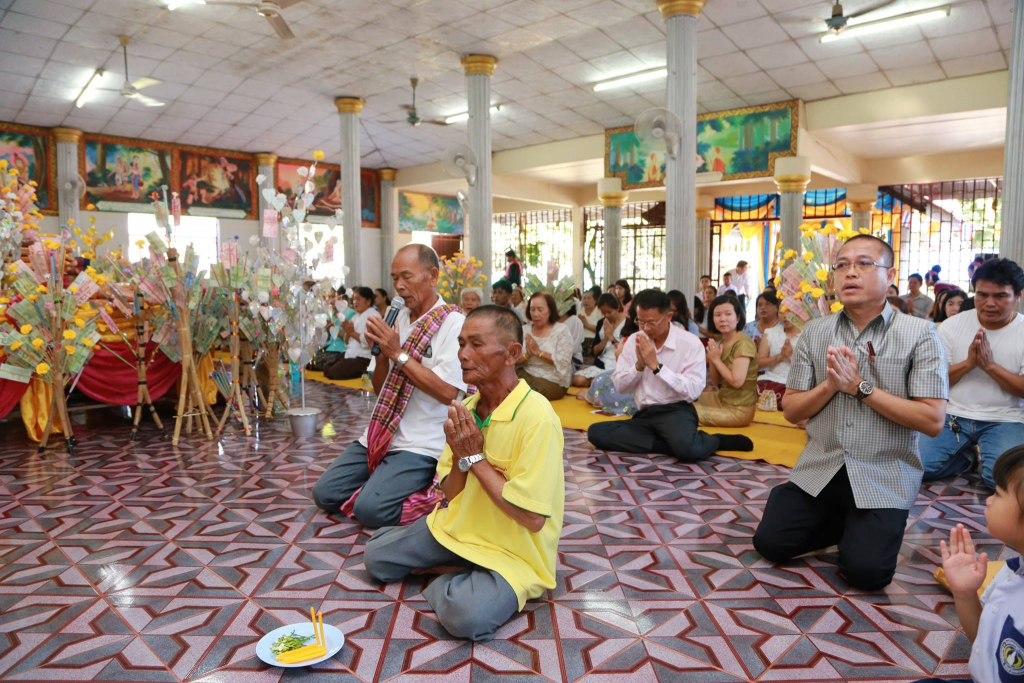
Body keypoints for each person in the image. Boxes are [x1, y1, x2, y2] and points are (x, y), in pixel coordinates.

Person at [752, 234, 949, 590]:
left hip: (883, 474)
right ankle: (842, 520)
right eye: (842, 265)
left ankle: (865, 526)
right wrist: (831, 385)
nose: (850, 272)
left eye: (863, 263)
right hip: (822, 466)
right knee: (771, 544)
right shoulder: (815, 332)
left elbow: (932, 421)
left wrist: (860, 387)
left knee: (867, 574)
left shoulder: (920, 334)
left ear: (890, 275)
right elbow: (791, 409)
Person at [363, 306, 563, 642]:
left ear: (512, 353)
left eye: (476, 344)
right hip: (459, 530)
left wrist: (475, 458)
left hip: (514, 553)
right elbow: (452, 493)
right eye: (460, 344)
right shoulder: (466, 409)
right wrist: (460, 455)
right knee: (376, 557)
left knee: (466, 616)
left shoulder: (537, 417)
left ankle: (456, 576)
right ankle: (464, 569)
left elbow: (532, 519)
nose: (463, 355)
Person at [313, 245, 467, 528]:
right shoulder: (396, 318)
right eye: (395, 278)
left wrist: (397, 353)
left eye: (407, 276)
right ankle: (384, 482)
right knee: (325, 494)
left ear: (433, 276)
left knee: (371, 511)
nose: (399, 285)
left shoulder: (453, 323)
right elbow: (381, 387)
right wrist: (382, 355)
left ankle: (433, 494)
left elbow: (449, 393)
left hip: (421, 442)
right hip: (383, 430)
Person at [587, 289, 753, 461]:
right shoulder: (634, 341)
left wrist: (657, 367)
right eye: (640, 322)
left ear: (668, 316)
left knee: (690, 451)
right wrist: (639, 366)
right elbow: (620, 387)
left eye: (651, 322)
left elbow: (694, 391)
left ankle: (714, 440)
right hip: (645, 414)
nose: (645, 328)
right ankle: (674, 444)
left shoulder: (690, 343)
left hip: (676, 411)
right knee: (597, 432)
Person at [910, 448, 1023, 683]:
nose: (988, 500)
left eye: (999, 494)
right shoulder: (1012, 572)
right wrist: (964, 593)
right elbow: (984, 643)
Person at [920, 258, 1024, 489]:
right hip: (952, 416)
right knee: (917, 466)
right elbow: (934, 382)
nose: (989, 303)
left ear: (1018, 296)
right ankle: (966, 458)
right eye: (982, 294)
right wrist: (969, 363)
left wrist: (990, 366)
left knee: (1000, 480)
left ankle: (986, 460)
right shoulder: (952, 325)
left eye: (1000, 296)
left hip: (1006, 419)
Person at [695, 295, 758, 427]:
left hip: (738, 410)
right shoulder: (724, 341)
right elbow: (717, 380)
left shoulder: (743, 343)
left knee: (686, 412)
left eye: (728, 314)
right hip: (722, 399)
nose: (722, 319)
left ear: (738, 318)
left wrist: (716, 360)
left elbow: (736, 381)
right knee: (684, 400)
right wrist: (713, 358)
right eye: (717, 315)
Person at [517, 292, 573, 401]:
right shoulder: (525, 330)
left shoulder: (561, 330)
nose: (535, 314)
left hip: (553, 380)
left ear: (550, 310)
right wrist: (528, 354)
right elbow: (515, 360)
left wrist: (538, 352)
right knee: (507, 386)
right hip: (526, 373)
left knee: (530, 394)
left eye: (540, 309)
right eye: (532, 309)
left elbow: (563, 362)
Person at [324, 287, 382, 380]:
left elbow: (370, 342)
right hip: (351, 354)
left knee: (333, 372)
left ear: (368, 301)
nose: (354, 302)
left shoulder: (374, 316)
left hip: (365, 358)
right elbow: (347, 341)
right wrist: (348, 331)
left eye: (358, 299)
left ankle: (365, 372)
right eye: (354, 299)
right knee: (327, 367)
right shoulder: (356, 316)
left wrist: (351, 332)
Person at [573, 293, 625, 388]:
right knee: (578, 380)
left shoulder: (628, 324)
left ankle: (598, 385)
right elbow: (595, 351)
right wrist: (605, 338)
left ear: (617, 308)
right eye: (603, 312)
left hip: (619, 362)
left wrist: (611, 338)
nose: (606, 315)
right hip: (603, 362)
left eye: (609, 312)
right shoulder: (601, 323)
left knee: (596, 382)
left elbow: (628, 352)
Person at [757, 314, 801, 407]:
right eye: (782, 312)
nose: (785, 316)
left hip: (798, 384)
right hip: (771, 380)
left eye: (789, 311)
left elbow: (814, 368)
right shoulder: (770, 332)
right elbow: (758, 364)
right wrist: (780, 356)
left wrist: (791, 356)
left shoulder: (809, 334)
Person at [578, 286, 603, 354]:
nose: (586, 300)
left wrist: (586, 325)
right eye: (584, 298)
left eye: (589, 298)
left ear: (595, 300)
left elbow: (601, 330)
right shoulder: (579, 313)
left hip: (596, 343)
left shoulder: (600, 312)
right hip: (581, 343)